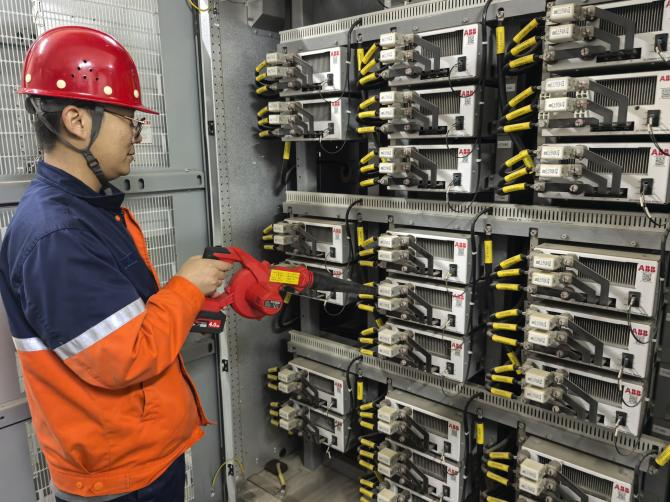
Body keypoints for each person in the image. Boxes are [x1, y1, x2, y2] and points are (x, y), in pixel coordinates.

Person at [0, 26, 231, 502]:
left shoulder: (86, 210)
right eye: (130, 121)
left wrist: (188, 297)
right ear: (77, 121)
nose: (136, 137)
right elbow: (125, 357)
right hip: (119, 478)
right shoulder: (57, 234)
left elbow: (120, 323)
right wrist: (187, 287)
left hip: (135, 456)